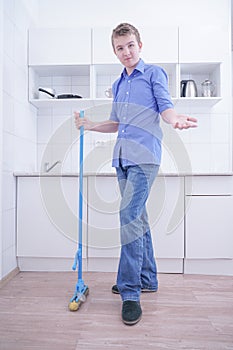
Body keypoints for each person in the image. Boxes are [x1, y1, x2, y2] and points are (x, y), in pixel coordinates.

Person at [74, 23, 197, 326]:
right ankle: (147, 277)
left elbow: (166, 108)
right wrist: (89, 125)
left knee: (128, 215)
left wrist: (174, 120)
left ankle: (130, 292)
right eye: (120, 48)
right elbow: (116, 123)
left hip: (145, 157)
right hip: (122, 159)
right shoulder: (118, 85)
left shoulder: (154, 74)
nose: (126, 52)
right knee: (137, 218)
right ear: (114, 52)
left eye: (130, 45)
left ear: (139, 45)